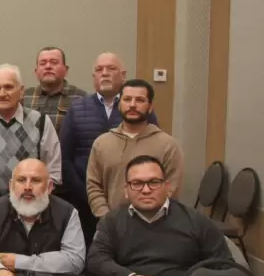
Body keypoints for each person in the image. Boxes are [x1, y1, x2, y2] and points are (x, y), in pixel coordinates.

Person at [87, 155, 232, 276]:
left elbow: (225, 266)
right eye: (137, 183)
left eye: (154, 182)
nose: (146, 190)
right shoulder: (112, 221)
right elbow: (96, 259)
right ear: (126, 190)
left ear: (167, 187)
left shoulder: (197, 221)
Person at [60, 53, 158, 244]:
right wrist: (86, 193)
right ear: (93, 77)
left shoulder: (137, 108)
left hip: (132, 201)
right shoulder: (77, 108)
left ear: (123, 75)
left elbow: (152, 147)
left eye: (111, 69)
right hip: (84, 200)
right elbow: (65, 157)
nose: (104, 73)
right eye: (99, 69)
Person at [0, 64, 62, 207]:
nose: (2, 93)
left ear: (21, 91)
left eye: (8, 87)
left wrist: (31, 199)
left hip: (32, 206)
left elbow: (54, 170)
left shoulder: (41, 122)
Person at [0, 159, 85, 276]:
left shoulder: (67, 212)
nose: (27, 187)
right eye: (21, 180)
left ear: (49, 187)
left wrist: (20, 262)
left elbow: (75, 259)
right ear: (11, 185)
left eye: (35, 180)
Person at [86, 79, 183, 218]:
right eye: (127, 99)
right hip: (110, 223)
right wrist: (107, 218)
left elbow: (171, 189)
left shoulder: (168, 145)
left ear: (150, 107)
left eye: (140, 100)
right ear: (119, 104)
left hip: (155, 224)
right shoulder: (102, 143)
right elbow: (94, 186)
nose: (132, 105)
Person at [23, 47, 87, 133]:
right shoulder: (24, 97)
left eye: (54, 62)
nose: (48, 66)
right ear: (36, 72)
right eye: (43, 63)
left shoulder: (81, 99)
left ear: (66, 70)